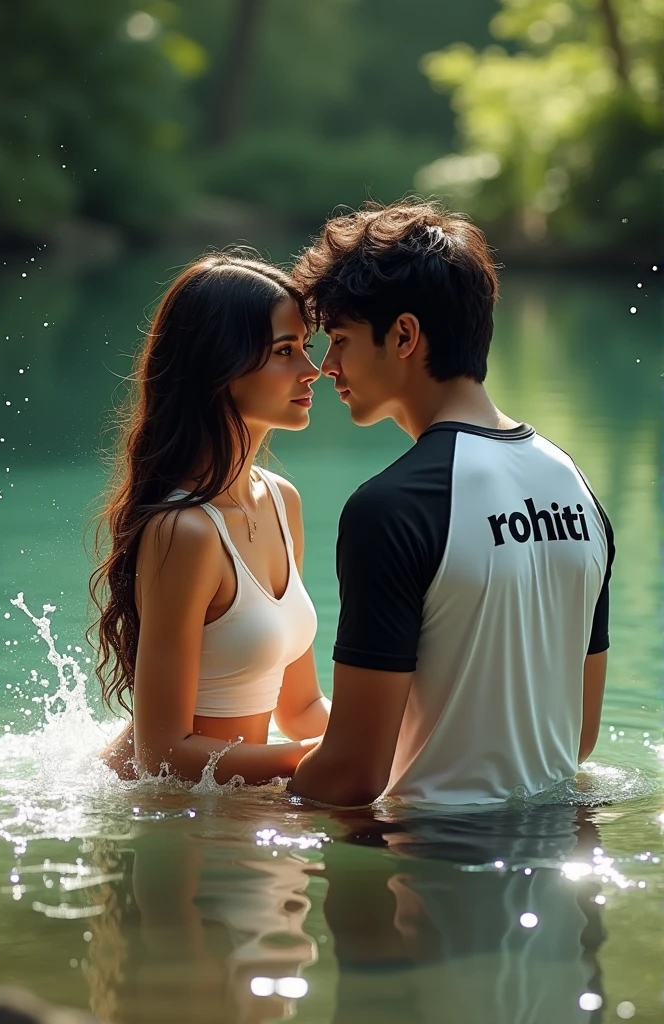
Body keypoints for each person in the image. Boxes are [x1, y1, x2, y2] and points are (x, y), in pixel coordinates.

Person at [287, 200, 615, 807]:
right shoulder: (577, 488)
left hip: (430, 875)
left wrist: (216, 793)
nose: (327, 366)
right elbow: (578, 738)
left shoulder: (392, 508)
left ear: (405, 335)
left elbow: (352, 776)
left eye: (339, 339)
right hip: (561, 877)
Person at [91, 251, 330, 784]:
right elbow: (161, 755)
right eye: (284, 351)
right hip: (162, 815)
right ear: (220, 366)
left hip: (231, 810)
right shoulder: (187, 531)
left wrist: (405, 735)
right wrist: (319, 761)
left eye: (305, 348)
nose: (311, 371)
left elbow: (300, 710)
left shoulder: (281, 501)